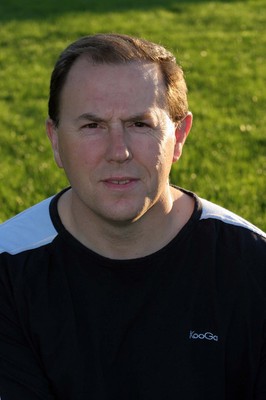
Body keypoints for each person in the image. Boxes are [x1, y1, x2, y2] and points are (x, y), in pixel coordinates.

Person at [0, 33, 265, 400]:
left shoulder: (253, 267)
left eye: (140, 124)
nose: (118, 151)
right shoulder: (8, 272)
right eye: (92, 126)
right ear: (56, 141)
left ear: (181, 135)